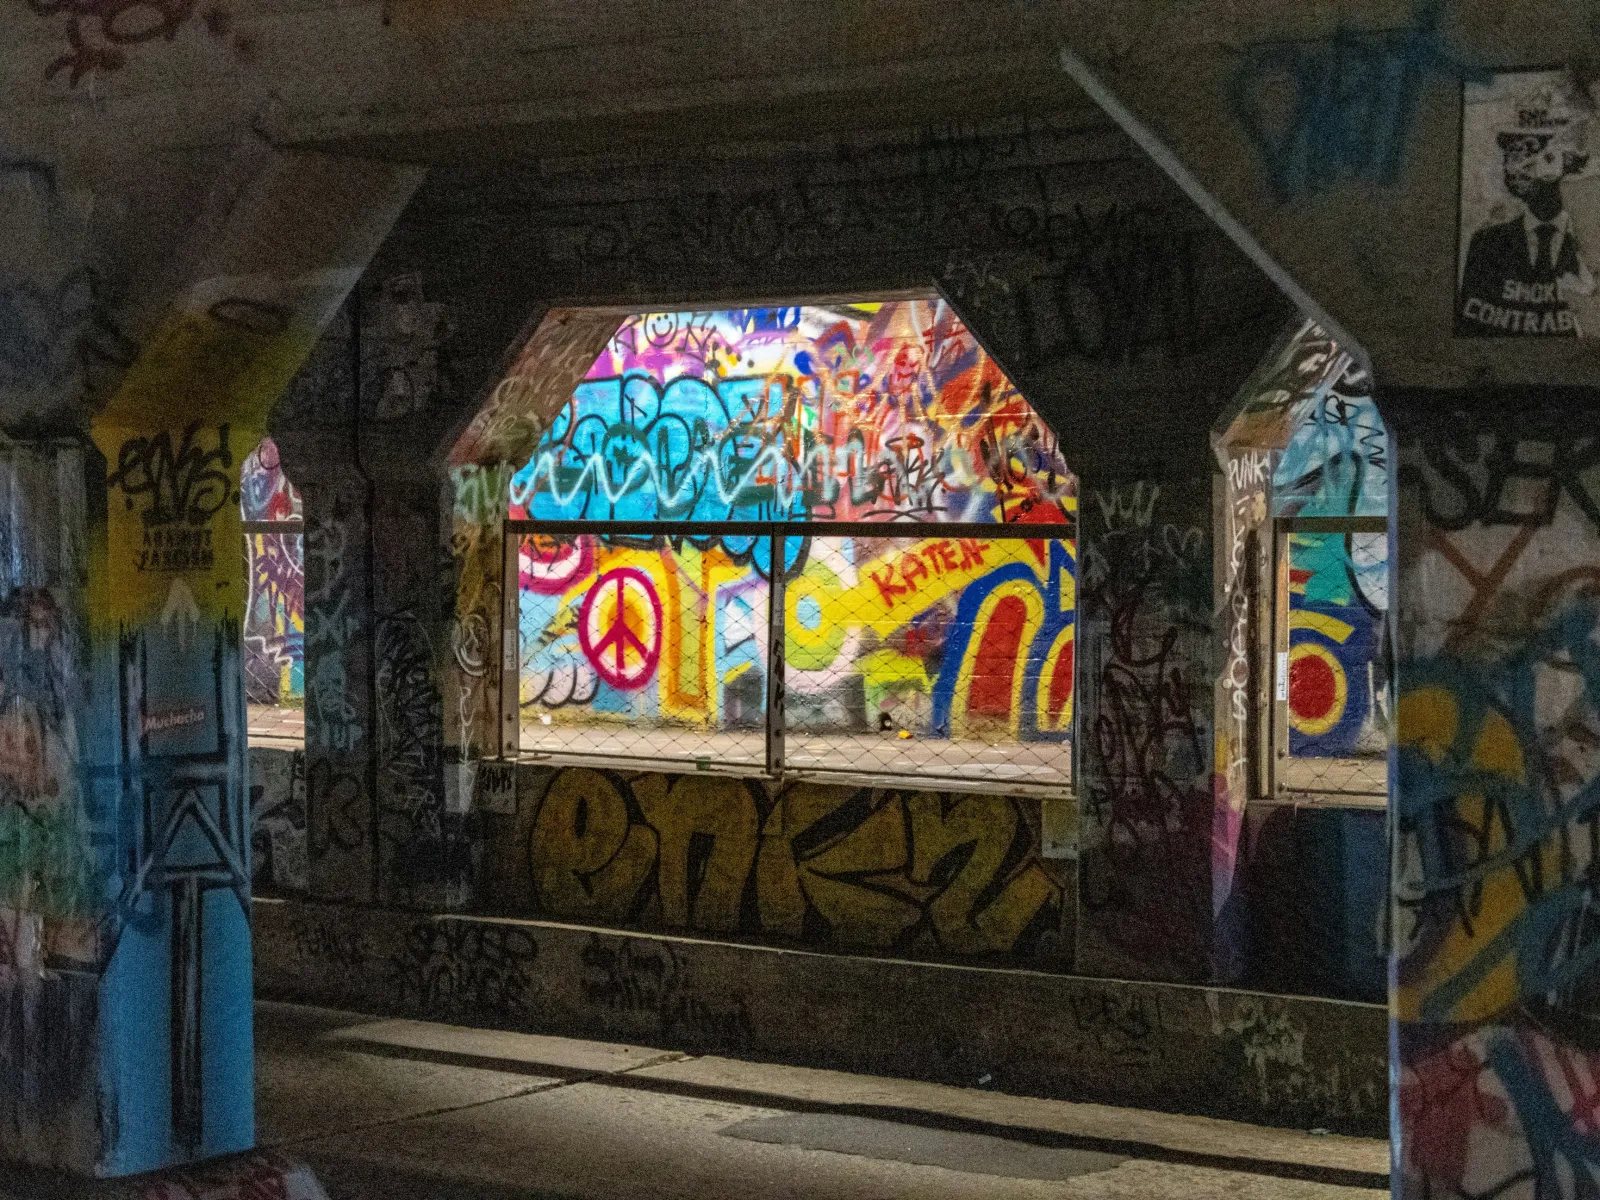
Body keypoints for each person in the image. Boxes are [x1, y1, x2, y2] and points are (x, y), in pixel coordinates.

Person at [1458, 84, 1596, 337]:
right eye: (1510, 154)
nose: (1514, 166)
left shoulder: (1591, 242)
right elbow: (1470, 330)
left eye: (1530, 150)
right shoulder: (1486, 245)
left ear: (1564, 160)